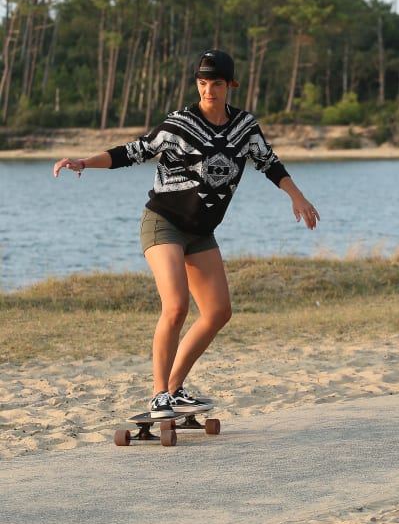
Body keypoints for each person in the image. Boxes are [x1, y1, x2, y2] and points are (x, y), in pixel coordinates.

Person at [54, 49, 320, 418]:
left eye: (216, 83)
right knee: (176, 305)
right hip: (163, 221)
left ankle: (174, 389)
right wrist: (84, 162)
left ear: (231, 85)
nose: (208, 90)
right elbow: (135, 151)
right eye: (202, 83)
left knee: (218, 312)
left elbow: (269, 163)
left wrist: (298, 197)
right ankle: (158, 392)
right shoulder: (180, 123)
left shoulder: (244, 127)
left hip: (201, 232)